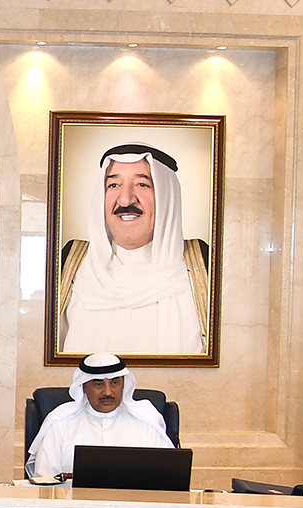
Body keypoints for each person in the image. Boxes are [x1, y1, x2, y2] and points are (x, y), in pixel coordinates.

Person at [55, 143, 211, 355]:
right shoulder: (69, 265)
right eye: (113, 185)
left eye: (142, 185)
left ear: (167, 197)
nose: (126, 199)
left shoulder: (204, 267)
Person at [25, 352, 175, 479]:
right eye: (98, 384)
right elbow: (44, 481)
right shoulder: (60, 423)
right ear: (84, 387)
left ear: (124, 385)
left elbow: (167, 478)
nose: (108, 392)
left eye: (114, 383)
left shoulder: (146, 422)